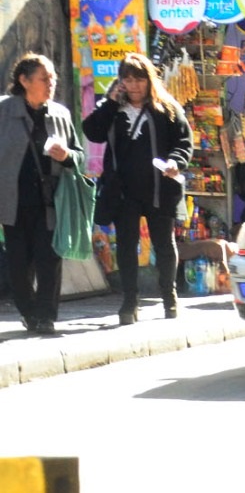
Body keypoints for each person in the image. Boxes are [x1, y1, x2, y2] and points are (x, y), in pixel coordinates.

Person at [83, 54, 193, 324]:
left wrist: (175, 162)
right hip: (123, 190)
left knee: (164, 245)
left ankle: (169, 296)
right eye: (128, 80)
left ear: (149, 80)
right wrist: (110, 102)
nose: (134, 86)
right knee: (126, 246)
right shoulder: (113, 109)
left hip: (159, 188)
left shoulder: (167, 108)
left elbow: (184, 141)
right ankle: (130, 301)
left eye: (139, 79)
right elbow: (92, 131)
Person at [0, 54, 84, 335]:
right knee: (18, 264)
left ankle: (46, 315)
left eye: (53, 78)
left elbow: (79, 155)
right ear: (24, 81)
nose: (52, 83)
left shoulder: (60, 114)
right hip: (12, 202)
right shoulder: (4, 111)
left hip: (50, 201)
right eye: (45, 78)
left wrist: (67, 155)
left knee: (49, 260)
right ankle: (28, 312)